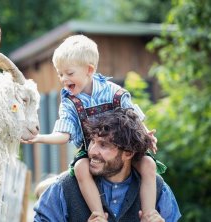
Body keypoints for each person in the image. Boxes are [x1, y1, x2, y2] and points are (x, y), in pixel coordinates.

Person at [22, 35, 166, 218]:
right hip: (90, 152)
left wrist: (146, 135)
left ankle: (148, 214)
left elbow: (133, 118)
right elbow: (64, 133)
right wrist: (39, 137)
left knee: (148, 164)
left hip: (120, 149)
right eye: (60, 74)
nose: (63, 79)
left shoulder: (114, 91)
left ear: (89, 70)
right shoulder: (69, 102)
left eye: (69, 73)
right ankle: (98, 215)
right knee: (81, 167)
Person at [33, 108, 181, 221]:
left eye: (103, 145)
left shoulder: (158, 189)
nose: (92, 151)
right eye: (92, 141)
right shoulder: (63, 188)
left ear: (128, 153)